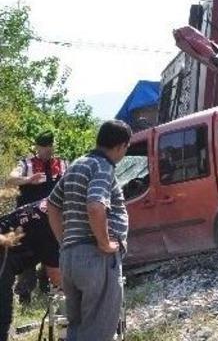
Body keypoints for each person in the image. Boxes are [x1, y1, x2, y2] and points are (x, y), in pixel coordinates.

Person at [46, 120, 132, 341]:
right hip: (96, 257)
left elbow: (52, 205)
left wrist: (64, 241)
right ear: (121, 146)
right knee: (98, 331)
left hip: (70, 259)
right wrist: (105, 243)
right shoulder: (102, 166)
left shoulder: (77, 164)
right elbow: (95, 205)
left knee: (77, 328)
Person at [5, 131, 67, 304]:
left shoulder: (62, 164)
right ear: (37, 147)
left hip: (53, 220)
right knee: (28, 257)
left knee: (55, 255)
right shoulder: (26, 164)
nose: (48, 150)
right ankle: (24, 295)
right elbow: (10, 180)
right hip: (28, 221)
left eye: (50, 146)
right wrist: (28, 180)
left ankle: (49, 289)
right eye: (44, 147)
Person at [0, 199, 62, 341]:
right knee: (2, 312)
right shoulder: (48, 225)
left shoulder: (51, 203)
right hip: (3, 251)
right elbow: (55, 276)